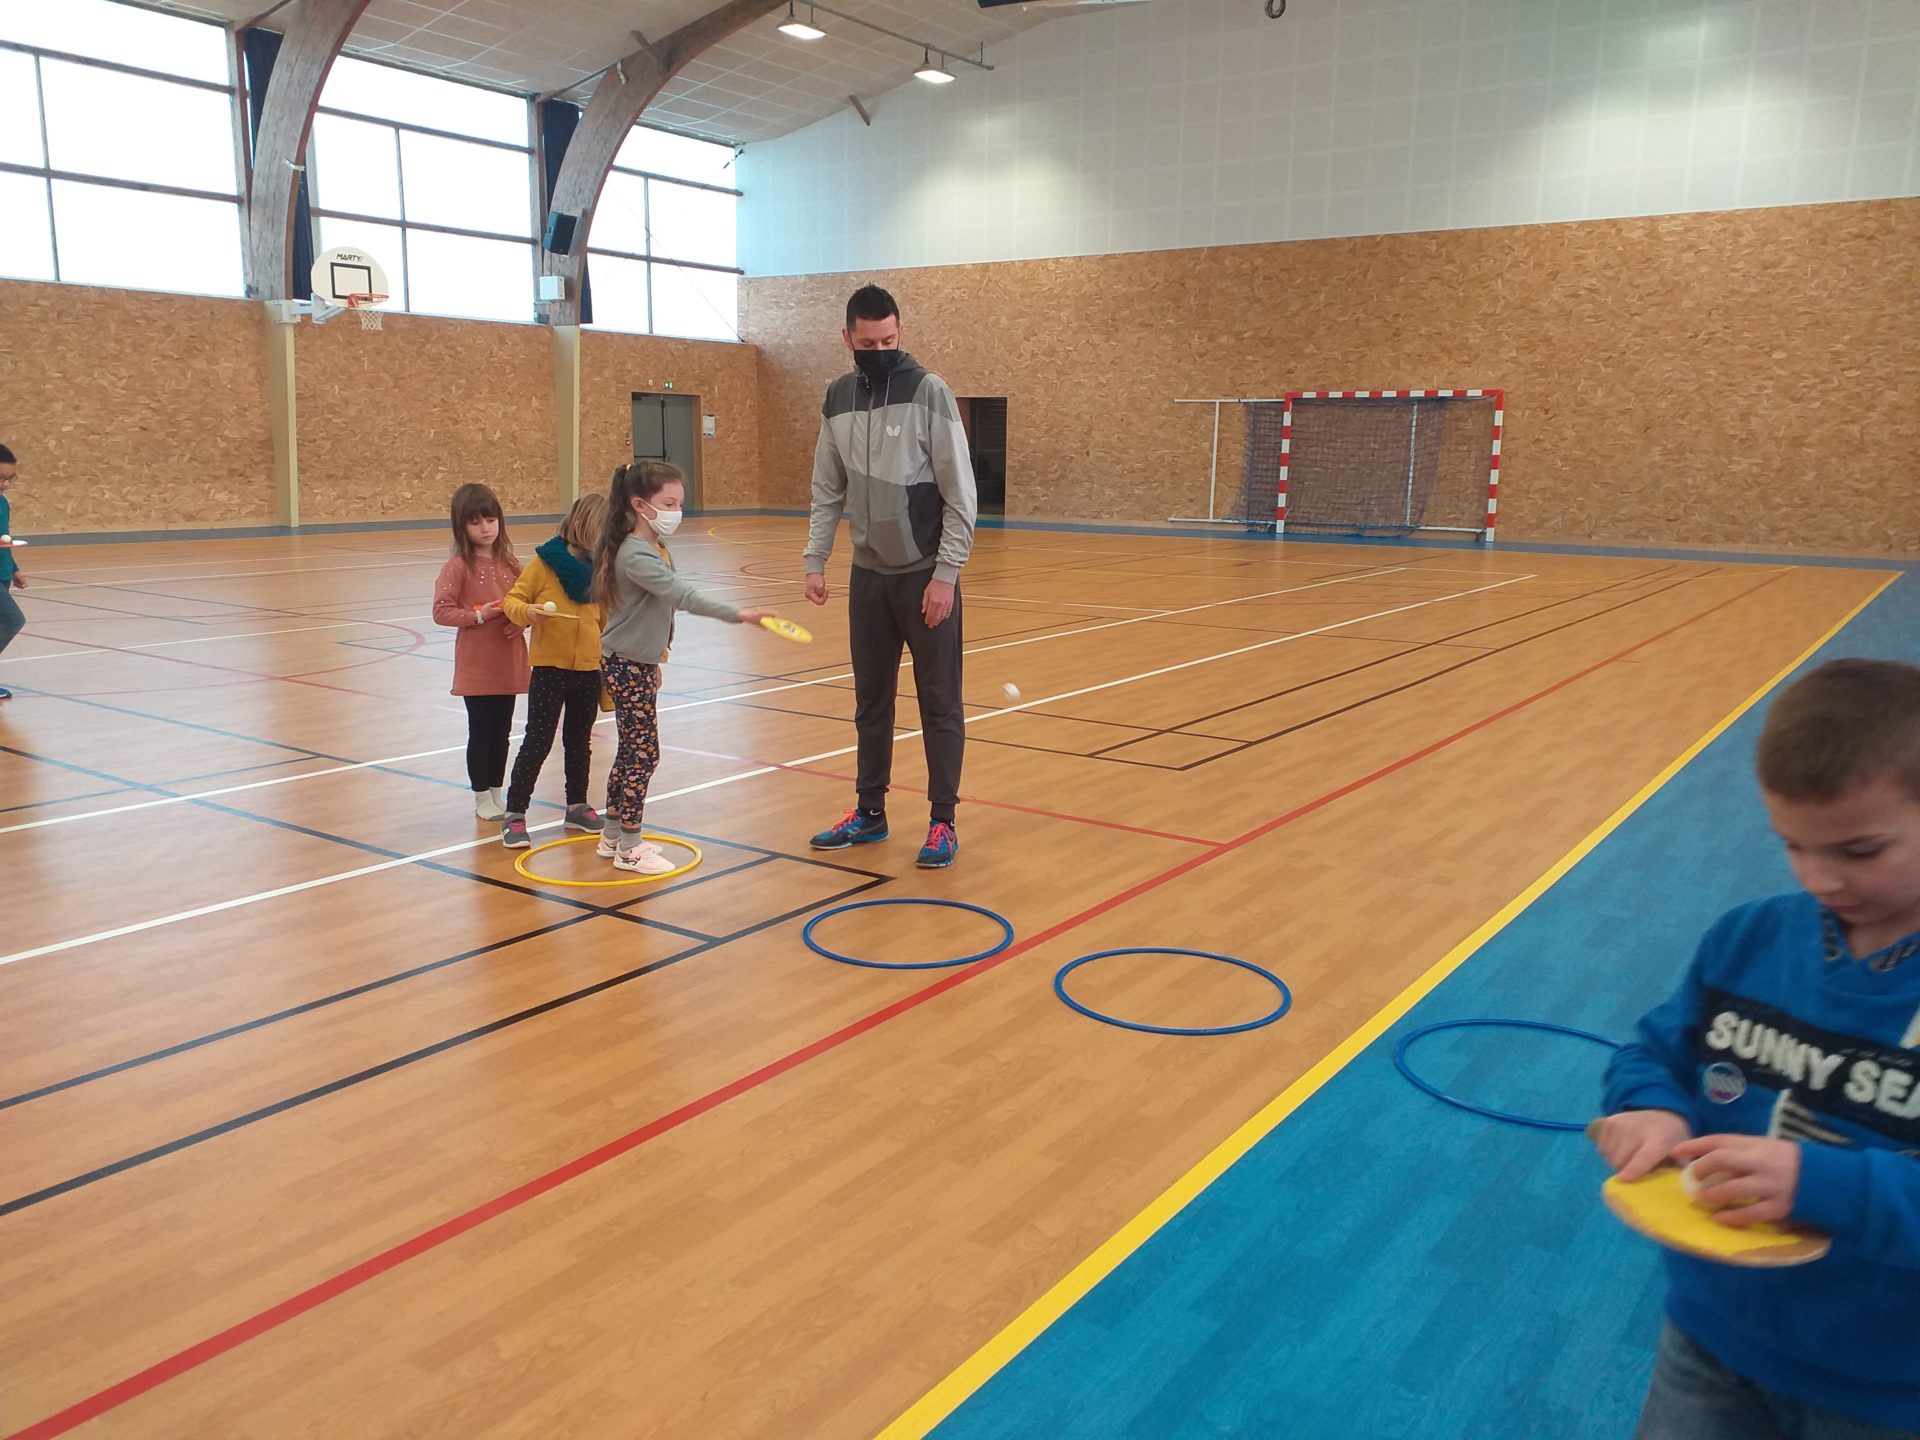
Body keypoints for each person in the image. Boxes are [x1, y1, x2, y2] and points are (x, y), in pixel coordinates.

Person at [1595, 658, 1920, 1440]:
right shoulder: (1748, 938)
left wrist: (1824, 1185)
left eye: (1860, 850)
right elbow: (1653, 1053)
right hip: (1709, 1336)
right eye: (1792, 845)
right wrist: (1651, 1109)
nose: (1821, 878)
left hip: (1883, 1386)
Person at [802, 283, 977, 869]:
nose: (879, 350)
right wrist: (815, 559)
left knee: (939, 702)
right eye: (868, 342)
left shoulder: (930, 391)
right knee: (870, 702)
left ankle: (942, 821)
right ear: (846, 337)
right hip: (869, 578)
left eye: (889, 340)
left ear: (901, 332)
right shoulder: (837, 397)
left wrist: (946, 574)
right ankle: (869, 812)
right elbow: (827, 487)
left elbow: (961, 494)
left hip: (924, 576)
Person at [593, 461, 772, 874]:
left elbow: (656, 612)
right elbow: (682, 595)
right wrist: (739, 614)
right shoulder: (636, 554)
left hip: (633, 663)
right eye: (669, 503)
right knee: (644, 755)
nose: (677, 512)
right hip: (626, 665)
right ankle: (630, 847)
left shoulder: (651, 547)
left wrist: (654, 657)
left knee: (630, 751)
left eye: (680, 503)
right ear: (640, 505)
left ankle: (612, 835)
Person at [497, 492, 608, 848]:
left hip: (588, 670)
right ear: (582, 525)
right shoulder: (545, 563)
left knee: (579, 741)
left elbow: (606, 620)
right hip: (549, 669)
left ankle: (577, 806)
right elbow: (512, 600)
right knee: (538, 740)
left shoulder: (602, 570)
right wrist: (527, 613)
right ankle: (515, 813)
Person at [431, 483, 528, 821]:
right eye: (476, 523)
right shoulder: (458, 567)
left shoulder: (511, 564)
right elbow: (441, 611)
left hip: (508, 660)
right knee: (482, 730)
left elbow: (528, 601)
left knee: (503, 731)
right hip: (477, 663)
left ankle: (497, 791)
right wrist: (478, 615)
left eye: (491, 520)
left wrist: (521, 621)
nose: (486, 528)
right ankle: (481, 795)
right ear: (462, 527)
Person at [0, 442, 25, 699]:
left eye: (10, 479)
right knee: (13, 619)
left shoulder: (3, 503)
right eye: (0, 478)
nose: (6, 484)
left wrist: (14, 568)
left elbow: (4, 537)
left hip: (3, 572)